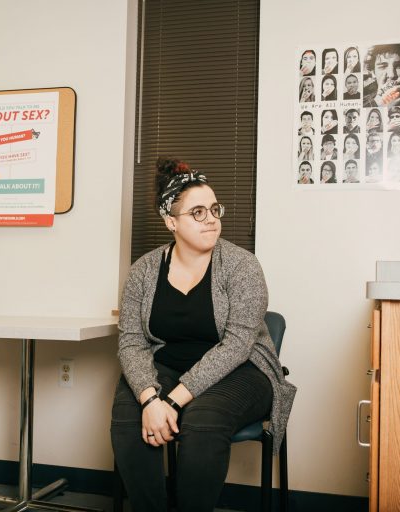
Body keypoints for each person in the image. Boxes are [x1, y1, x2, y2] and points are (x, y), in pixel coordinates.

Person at [111, 157, 296, 512]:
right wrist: (149, 400)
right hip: (166, 366)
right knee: (128, 417)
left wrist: (172, 402)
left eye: (214, 209)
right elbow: (131, 342)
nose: (211, 218)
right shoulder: (143, 271)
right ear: (171, 222)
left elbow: (237, 346)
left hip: (242, 372)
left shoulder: (242, 266)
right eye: (197, 212)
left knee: (202, 421)